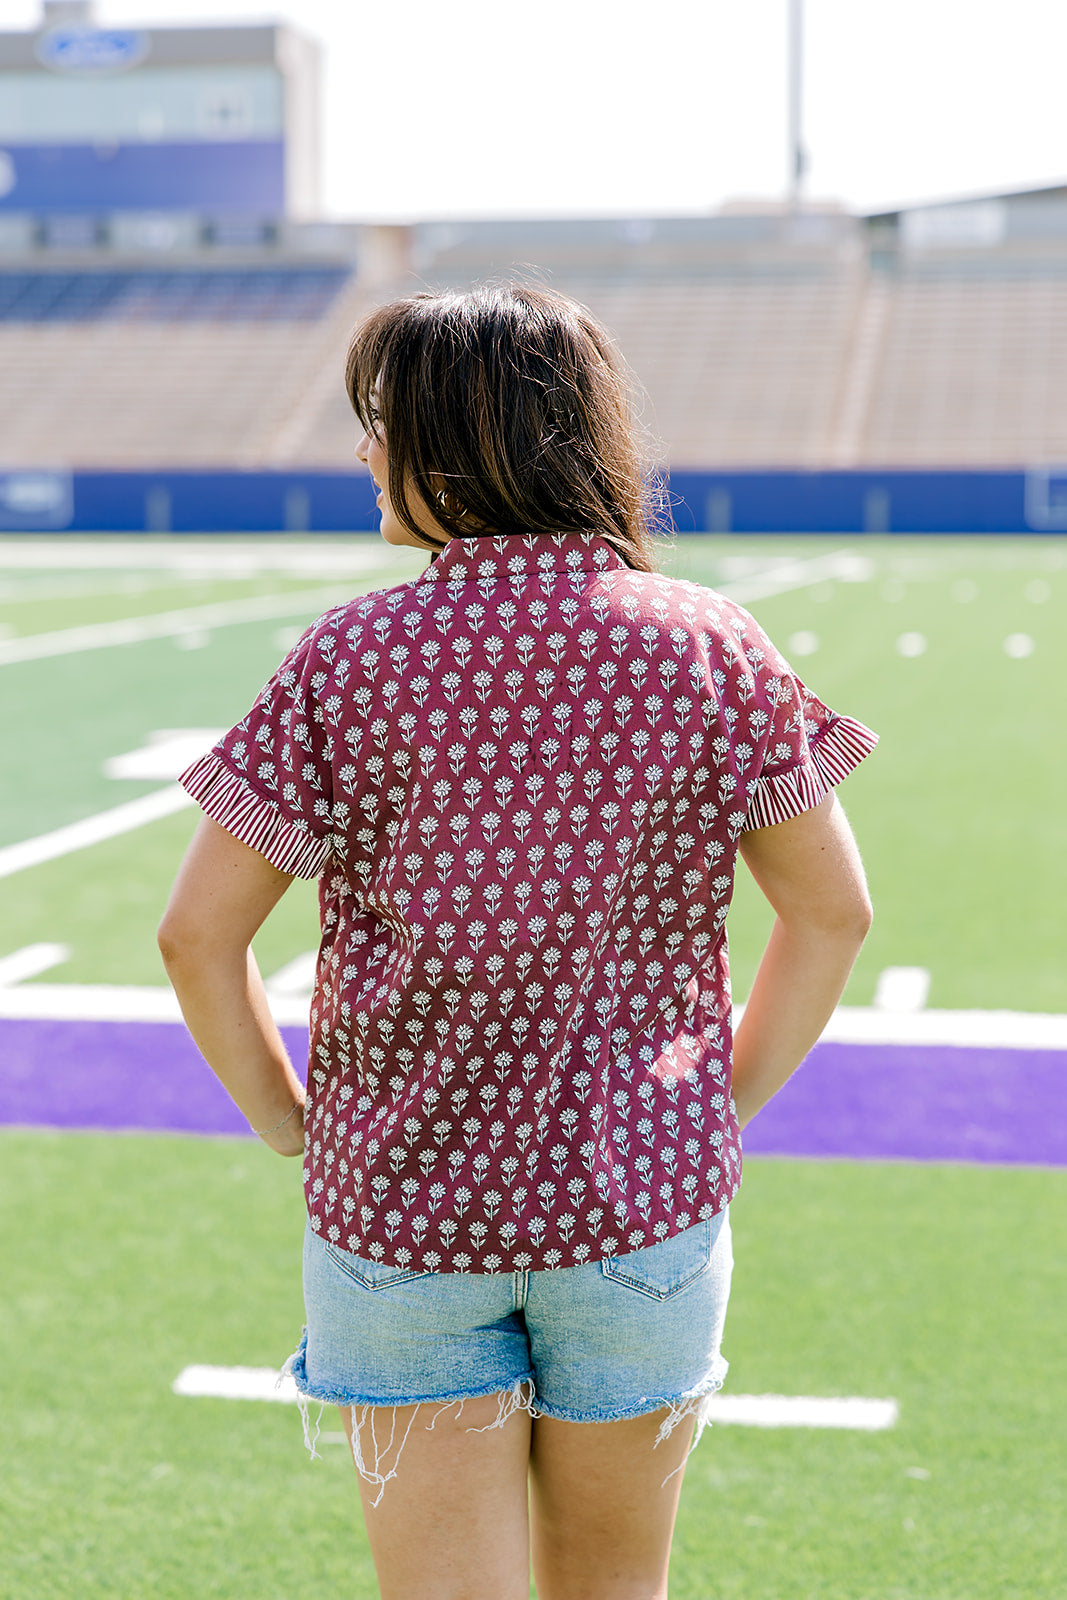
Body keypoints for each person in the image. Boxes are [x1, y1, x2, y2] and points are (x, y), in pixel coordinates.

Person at [159, 283, 876, 1600]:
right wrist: (716, 1103)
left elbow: (197, 938)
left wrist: (291, 1123)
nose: (363, 451)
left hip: (401, 1222)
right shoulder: (714, 645)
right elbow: (835, 913)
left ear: (455, 442)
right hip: (638, 1211)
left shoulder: (347, 660)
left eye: (379, 421)